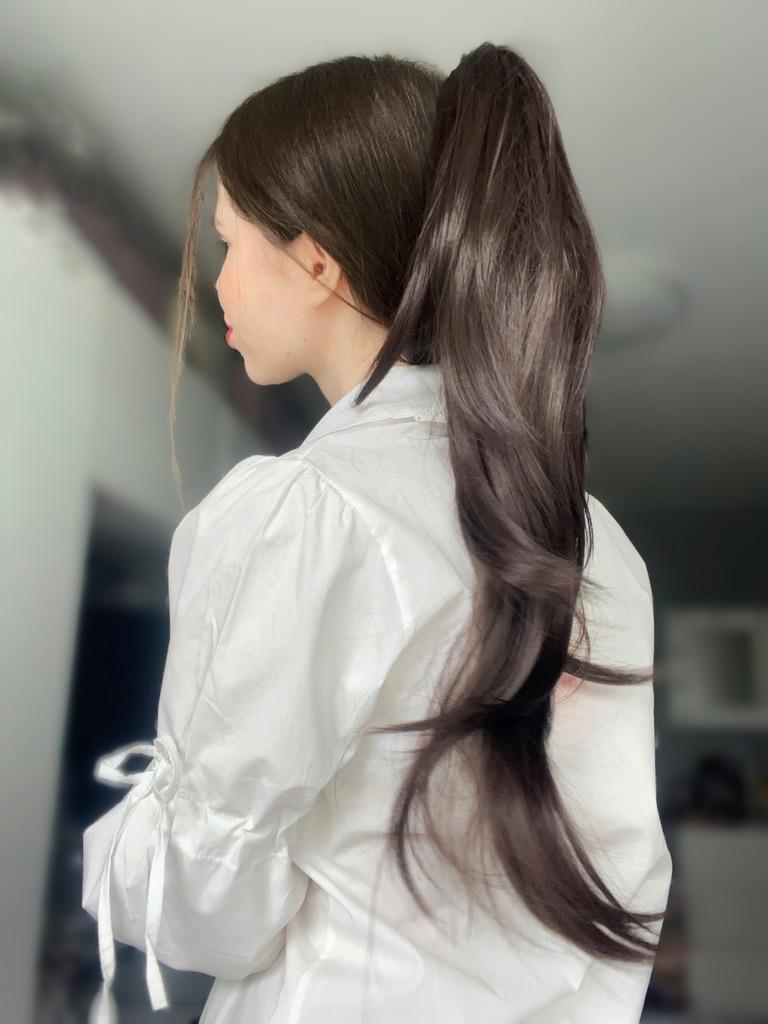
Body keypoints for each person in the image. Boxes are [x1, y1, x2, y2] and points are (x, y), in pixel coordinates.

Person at [81, 43, 673, 1024]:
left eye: (229, 246)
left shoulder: (309, 510)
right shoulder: (598, 545)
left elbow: (203, 907)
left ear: (315, 260)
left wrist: (120, 849)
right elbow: (623, 886)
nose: (217, 286)